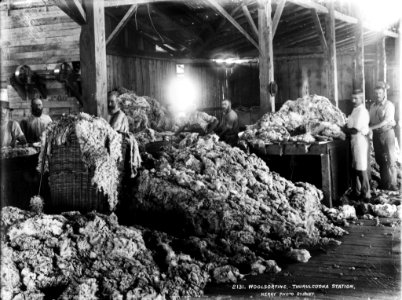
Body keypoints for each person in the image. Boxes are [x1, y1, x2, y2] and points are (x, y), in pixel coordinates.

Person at [369, 82, 398, 190]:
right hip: (377, 135)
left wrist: (370, 128)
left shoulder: (389, 105)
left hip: (387, 134)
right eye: (376, 93)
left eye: (380, 93)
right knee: (380, 160)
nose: (377, 95)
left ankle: (394, 184)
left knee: (391, 160)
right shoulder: (372, 106)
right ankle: (385, 183)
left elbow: (386, 121)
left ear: (384, 94)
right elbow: (370, 121)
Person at [344, 90, 371, 201]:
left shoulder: (362, 112)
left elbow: (355, 130)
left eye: (356, 98)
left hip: (360, 141)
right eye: (352, 98)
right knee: (355, 167)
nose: (353, 100)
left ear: (361, 99)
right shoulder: (355, 110)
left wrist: (341, 130)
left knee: (361, 167)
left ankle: (366, 194)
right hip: (354, 141)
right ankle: (357, 191)